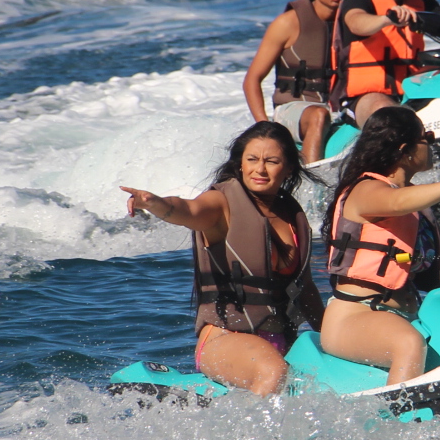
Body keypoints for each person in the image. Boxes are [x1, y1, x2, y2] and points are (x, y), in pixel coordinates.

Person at [122, 121, 325, 395]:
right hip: (224, 339)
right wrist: (155, 203)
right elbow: (188, 211)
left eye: (272, 161)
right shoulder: (221, 203)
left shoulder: (291, 214)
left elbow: (306, 289)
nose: (260, 169)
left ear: (289, 167)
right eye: (252, 159)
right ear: (240, 164)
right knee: (273, 372)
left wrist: (327, 339)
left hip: (282, 338)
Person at [321, 105, 440, 385]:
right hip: (355, 315)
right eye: (426, 136)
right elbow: (396, 202)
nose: (432, 142)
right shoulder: (365, 190)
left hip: (405, 313)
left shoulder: (417, 208)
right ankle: (398, 425)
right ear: (405, 150)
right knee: (409, 344)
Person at [242, 0, 349, 163]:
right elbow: (251, 80)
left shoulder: (352, 20)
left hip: (337, 108)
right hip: (292, 109)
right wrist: (265, 127)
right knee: (319, 116)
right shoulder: (288, 23)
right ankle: (311, 184)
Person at [333, 0, 440, 126]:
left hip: (413, 90)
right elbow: (356, 22)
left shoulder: (422, 0)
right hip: (364, 97)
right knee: (391, 117)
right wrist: (387, 19)